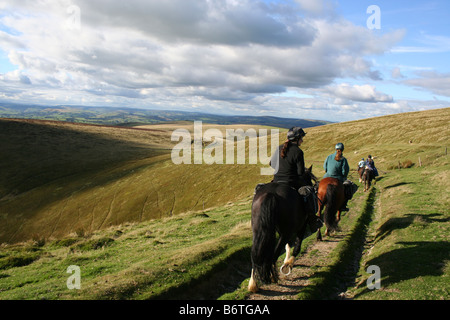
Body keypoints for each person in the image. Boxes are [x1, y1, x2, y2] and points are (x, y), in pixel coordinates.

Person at [270, 127, 322, 232]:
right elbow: (300, 173)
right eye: (301, 138)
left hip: (276, 181)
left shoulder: (279, 148)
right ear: (297, 139)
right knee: (308, 194)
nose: (302, 141)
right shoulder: (298, 151)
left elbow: (271, 164)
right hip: (292, 182)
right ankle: (312, 220)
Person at [323, 143, 353, 211]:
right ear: (342, 149)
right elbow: (344, 171)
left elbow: (325, 167)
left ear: (335, 149)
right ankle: (343, 206)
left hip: (327, 176)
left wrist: (328, 172)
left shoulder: (329, 157)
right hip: (338, 178)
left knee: (317, 187)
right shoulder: (343, 159)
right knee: (348, 188)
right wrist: (344, 176)